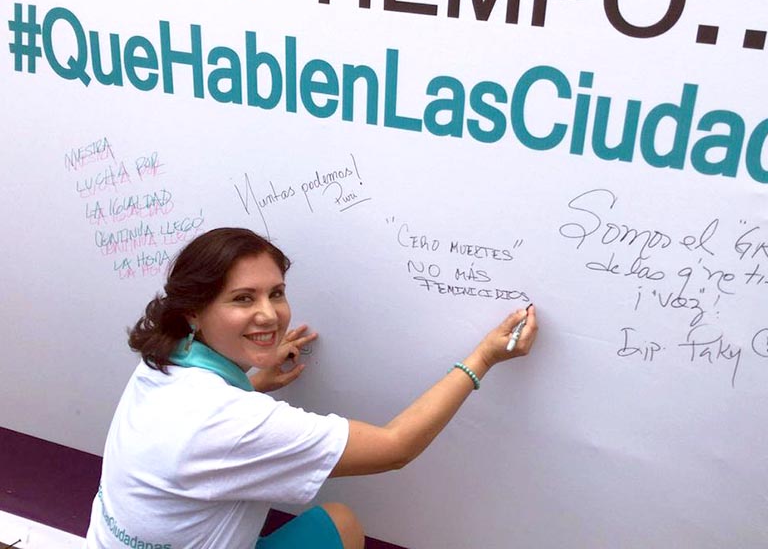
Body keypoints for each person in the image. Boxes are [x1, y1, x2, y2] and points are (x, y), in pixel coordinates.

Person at [84, 227, 538, 549]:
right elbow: (395, 447)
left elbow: (197, 436)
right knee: (340, 525)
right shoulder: (231, 423)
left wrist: (252, 381)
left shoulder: (161, 362)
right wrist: (482, 359)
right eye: (243, 298)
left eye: (276, 293)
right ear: (193, 313)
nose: (269, 314)